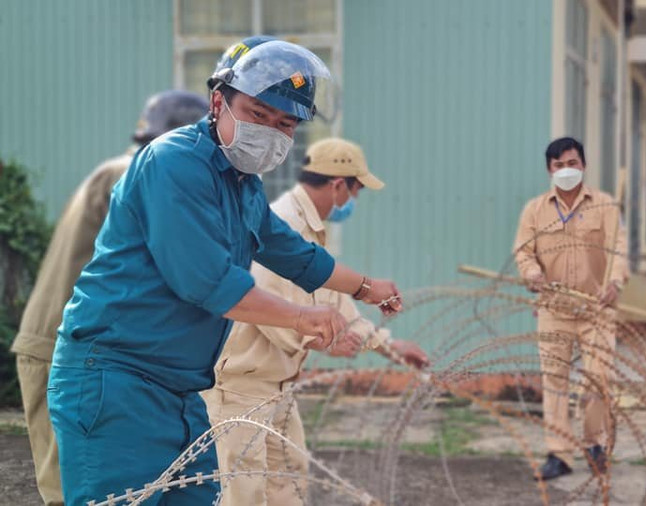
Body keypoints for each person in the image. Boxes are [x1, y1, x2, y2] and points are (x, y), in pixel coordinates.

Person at [48, 39, 402, 505]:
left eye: (285, 124)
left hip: (181, 389)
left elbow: (291, 252)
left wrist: (364, 287)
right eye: (258, 114)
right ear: (219, 102)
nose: (271, 132)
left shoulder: (242, 184)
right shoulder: (174, 163)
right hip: (117, 380)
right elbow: (208, 282)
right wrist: (302, 317)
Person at [205, 136, 429, 505]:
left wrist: (389, 347)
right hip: (242, 386)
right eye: (355, 192)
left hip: (279, 384)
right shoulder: (282, 221)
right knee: (243, 492)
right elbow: (260, 297)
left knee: (289, 483)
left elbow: (334, 299)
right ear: (339, 185)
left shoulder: (312, 231)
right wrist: (316, 339)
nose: (353, 202)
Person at [11, 89, 208, 506]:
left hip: (82, 349)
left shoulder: (123, 170)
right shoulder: (136, 174)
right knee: (75, 490)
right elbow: (183, 268)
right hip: (65, 351)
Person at [513, 137, 629, 480]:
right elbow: (524, 251)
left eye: (572, 163)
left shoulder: (605, 206)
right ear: (549, 169)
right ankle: (559, 454)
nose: (567, 170)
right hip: (554, 308)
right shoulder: (535, 210)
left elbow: (618, 249)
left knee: (597, 379)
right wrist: (532, 274)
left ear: (584, 165)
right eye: (559, 165)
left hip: (597, 307)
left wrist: (615, 282)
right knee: (555, 383)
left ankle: (595, 445)